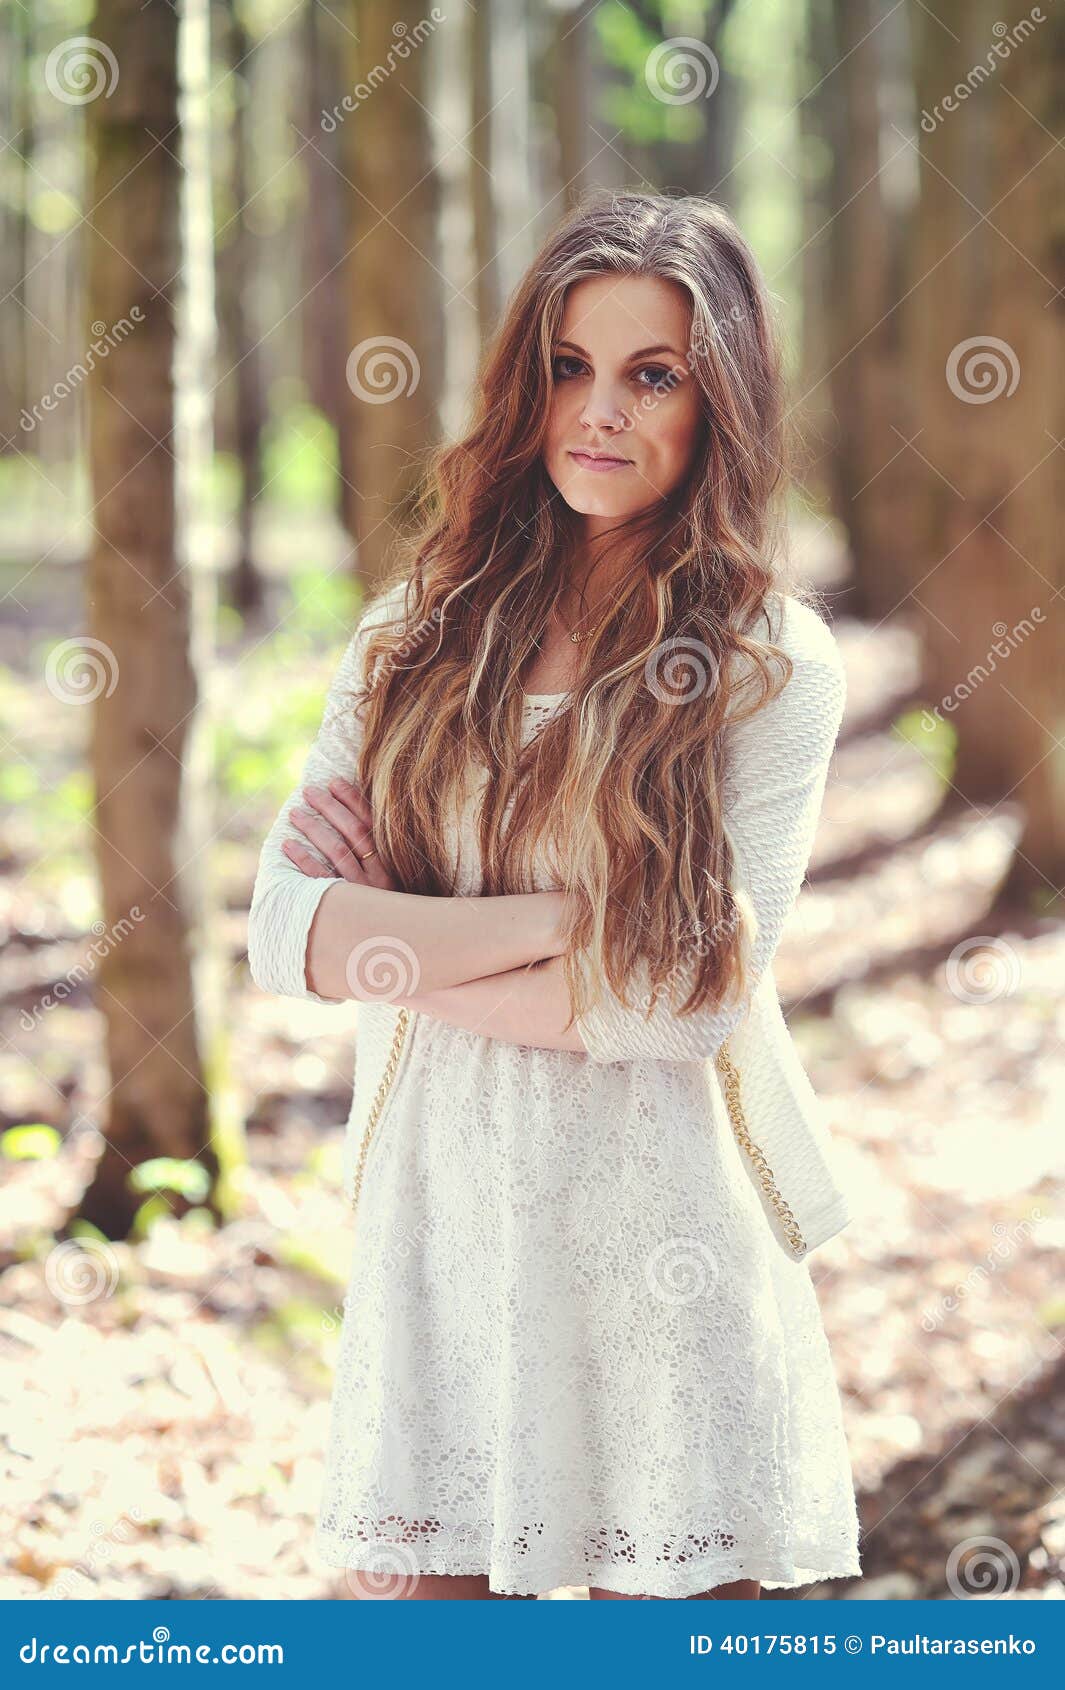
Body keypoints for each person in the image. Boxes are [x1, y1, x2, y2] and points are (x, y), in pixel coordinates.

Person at [247, 190, 862, 1601]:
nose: (599, 411)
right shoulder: (415, 633)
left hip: (664, 1246)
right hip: (442, 1220)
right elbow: (286, 930)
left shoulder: (772, 664)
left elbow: (673, 1004)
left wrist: (389, 938)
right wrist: (557, 926)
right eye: (569, 366)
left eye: (652, 376)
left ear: (720, 403)